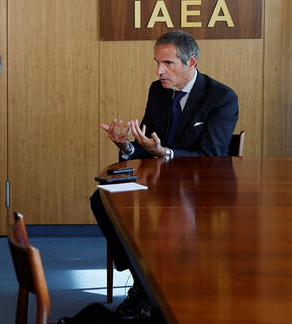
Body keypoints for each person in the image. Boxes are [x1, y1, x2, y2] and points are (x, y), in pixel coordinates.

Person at [91, 30, 238, 322]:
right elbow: (147, 146)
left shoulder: (221, 97)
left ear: (191, 62)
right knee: (101, 198)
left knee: (158, 215)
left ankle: (150, 289)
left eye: (168, 63)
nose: (160, 70)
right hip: (156, 182)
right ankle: (141, 281)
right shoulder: (157, 90)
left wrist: (165, 153)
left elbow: (212, 158)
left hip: (199, 189)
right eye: (157, 62)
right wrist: (127, 145)